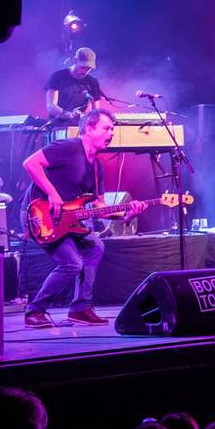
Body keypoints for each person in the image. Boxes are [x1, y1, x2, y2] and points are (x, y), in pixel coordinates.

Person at [22, 109, 146, 328]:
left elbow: (100, 208)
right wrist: (52, 194)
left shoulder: (96, 167)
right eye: (106, 128)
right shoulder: (68, 147)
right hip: (40, 214)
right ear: (89, 128)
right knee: (72, 264)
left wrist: (128, 214)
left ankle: (81, 308)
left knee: (95, 246)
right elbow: (30, 164)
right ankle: (35, 311)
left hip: (67, 219)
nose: (111, 133)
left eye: (112, 129)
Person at [44, 47, 107, 119]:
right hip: (57, 125)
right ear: (75, 61)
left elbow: (95, 110)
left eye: (88, 68)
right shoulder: (57, 77)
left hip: (79, 126)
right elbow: (51, 106)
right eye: (82, 67)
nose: (85, 71)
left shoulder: (92, 82)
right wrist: (69, 115)